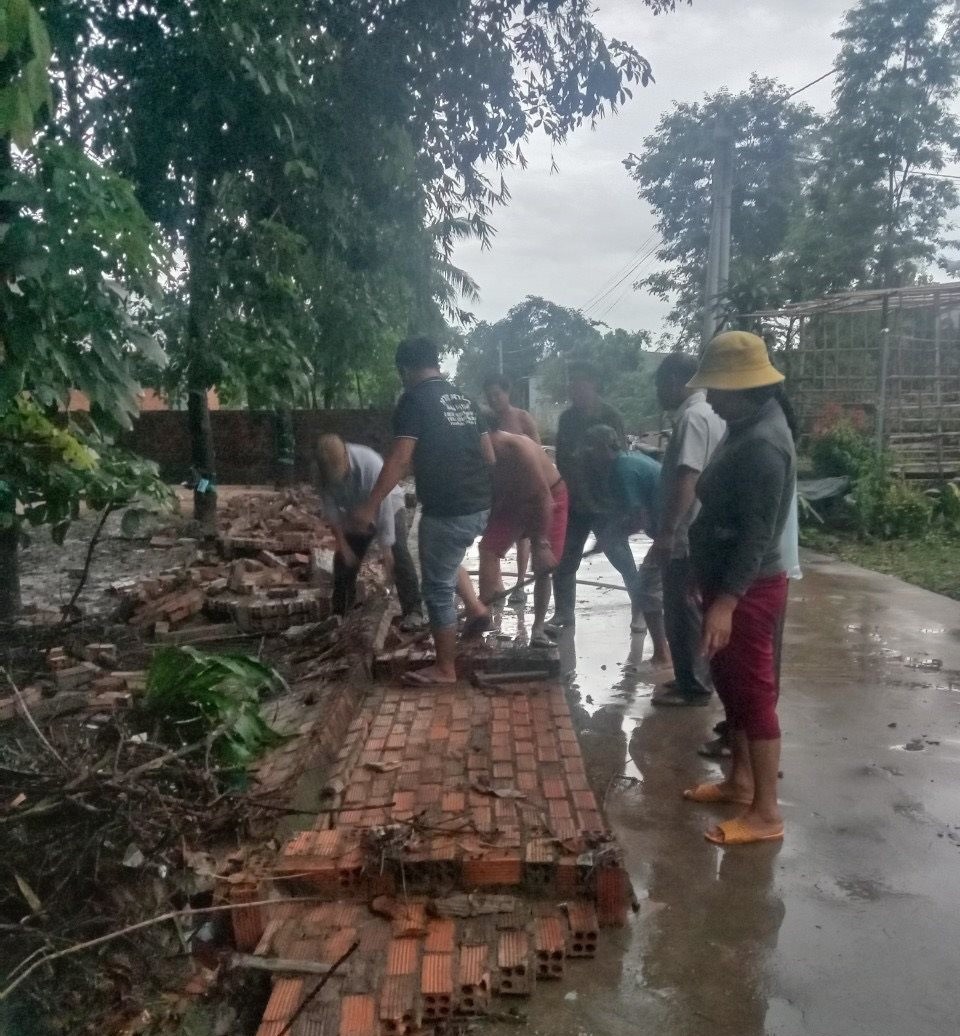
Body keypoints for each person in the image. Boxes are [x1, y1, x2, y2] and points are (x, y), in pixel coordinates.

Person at [681, 331, 797, 847]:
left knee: (754, 693)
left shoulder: (765, 445)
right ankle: (740, 781)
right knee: (731, 684)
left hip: (747, 588)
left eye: (717, 389)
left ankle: (766, 812)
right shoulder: (745, 422)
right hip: (723, 579)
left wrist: (725, 603)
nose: (709, 398)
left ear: (742, 388)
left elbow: (758, 536)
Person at [352, 335, 493, 686]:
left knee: (437, 588)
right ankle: (476, 610)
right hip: (480, 503)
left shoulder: (413, 400)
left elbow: (400, 459)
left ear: (404, 369)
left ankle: (445, 668)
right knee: (443, 559)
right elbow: (489, 456)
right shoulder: (464, 399)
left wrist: (370, 505)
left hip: (448, 509)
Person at [648, 353, 726, 706]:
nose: (658, 393)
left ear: (676, 382)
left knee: (682, 611)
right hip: (701, 529)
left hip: (687, 532)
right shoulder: (709, 413)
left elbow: (688, 477)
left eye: (660, 385)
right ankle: (688, 678)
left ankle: (693, 686)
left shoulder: (694, 418)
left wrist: (667, 533)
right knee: (687, 608)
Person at [473, 414, 567, 646]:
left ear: (489, 435)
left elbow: (544, 498)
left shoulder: (518, 447)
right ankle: (480, 614)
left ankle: (538, 630)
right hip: (514, 502)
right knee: (487, 548)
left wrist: (542, 543)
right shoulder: (482, 451)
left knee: (543, 566)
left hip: (550, 499)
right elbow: (496, 491)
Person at [582, 424, 671, 665]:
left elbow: (639, 519)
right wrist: (609, 535)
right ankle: (679, 653)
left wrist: (610, 537)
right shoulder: (626, 462)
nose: (587, 453)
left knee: (645, 587)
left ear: (603, 448)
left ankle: (663, 656)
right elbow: (629, 513)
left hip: (676, 532)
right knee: (674, 589)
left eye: (591, 447)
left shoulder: (622, 470)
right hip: (673, 530)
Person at [315, 434, 424, 629]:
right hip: (354, 512)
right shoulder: (320, 473)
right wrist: (343, 545)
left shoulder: (370, 463)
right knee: (343, 562)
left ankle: (413, 610)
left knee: (398, 554)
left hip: (388, 502)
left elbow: (384, 508)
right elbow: (331, 511)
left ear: (346, 456)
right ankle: (340, 613)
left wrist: (387, 550)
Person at [549, 362, 626, 630]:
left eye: (580, 382)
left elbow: (620, 459)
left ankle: (642, 606)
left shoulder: (610, 415)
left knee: (621, 558)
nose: (574, 388)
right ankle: (563, 613)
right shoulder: (567, 419)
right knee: (565, 561)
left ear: (594, 384)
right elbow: (562, 461)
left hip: (606, 503)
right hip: (575, 501)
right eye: (572, 383)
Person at [483, 374, 541, 605]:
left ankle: (519, 584)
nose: (494, 399)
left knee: (522, 538)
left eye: (497, 394)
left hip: (523, 485)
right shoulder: (486, 420)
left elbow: (537, 451)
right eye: (489, 396)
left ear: (508, 393)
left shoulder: (522, 418)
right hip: (497, 486)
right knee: (492, 538)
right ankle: (496, 586)